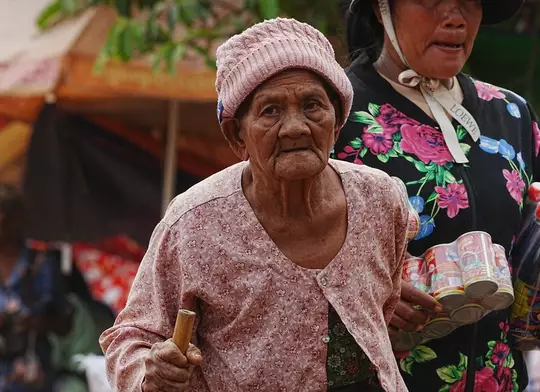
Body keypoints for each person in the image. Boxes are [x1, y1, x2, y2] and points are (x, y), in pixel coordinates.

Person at [100, 18, 415, 392]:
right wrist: (148, 369)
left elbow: (383, 308)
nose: (295, 127)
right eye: (270, 111)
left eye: (313, 105)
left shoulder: (382, 199)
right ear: (238, 136)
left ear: (337, 119)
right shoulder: (194, 224)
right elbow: (131, 337)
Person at [335, 1, 540, 391]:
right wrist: (362, 292)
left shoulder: (510, 115)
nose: (455, 17)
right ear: (381, 8)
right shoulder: (334, 113)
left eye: (469, 2)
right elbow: (282, 247)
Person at [0, 184, 75, 392]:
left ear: (15, 220)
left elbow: (66, 323)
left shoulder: (42, 264)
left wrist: (36, 323)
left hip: (33, 379)